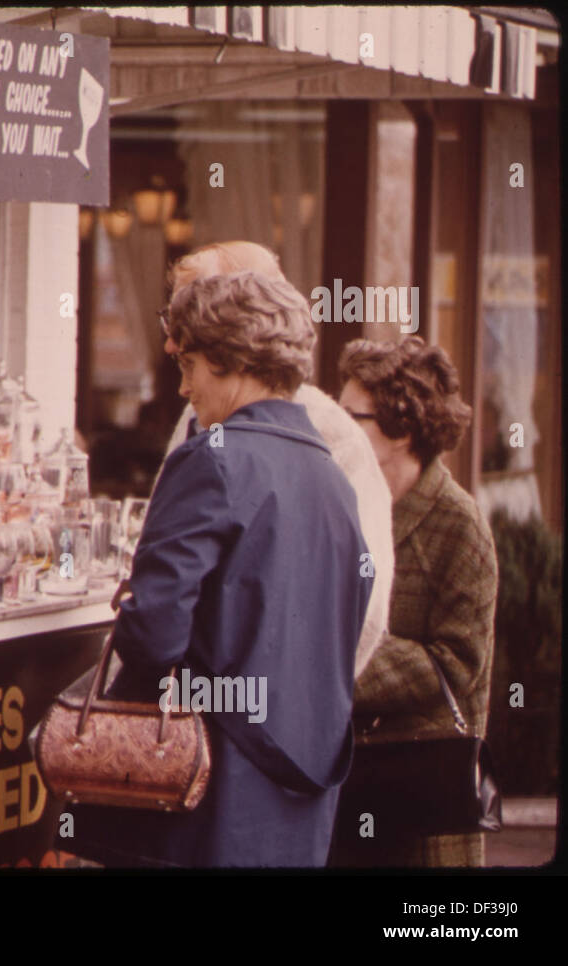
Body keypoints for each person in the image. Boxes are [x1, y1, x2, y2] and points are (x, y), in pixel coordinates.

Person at [70, 270, 372, 868]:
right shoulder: (334, 479)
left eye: (188, 366)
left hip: (205, 793)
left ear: (233, 361)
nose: (182, 388)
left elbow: (153, 631)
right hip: (303, 797)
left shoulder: (212, 461)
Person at [156, 241, 394, 677]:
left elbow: (366, 605)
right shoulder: (195, 415)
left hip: (247, 722)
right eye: (169, 317)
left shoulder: (334, 435)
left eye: (188, 315)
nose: (171, 342)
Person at [332, 336, 497, 867]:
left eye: (350, 416)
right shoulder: (344, 505)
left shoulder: (459, 523)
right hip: (346, 784)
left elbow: (455, 665)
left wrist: (336, 661)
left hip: (421, 800)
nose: (334, 429)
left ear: (401, 431)